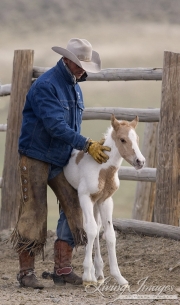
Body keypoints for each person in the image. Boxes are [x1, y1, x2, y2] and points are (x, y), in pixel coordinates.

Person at [11, 38, 111, 289]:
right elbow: (55, 126)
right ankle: (26, 274)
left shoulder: (74, 85)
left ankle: (63, 268)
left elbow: (69, 126)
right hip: (35, 155)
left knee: (75, 205)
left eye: (84, 65)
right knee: (34, 211)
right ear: (66, 60)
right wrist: (86, 143)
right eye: (79, 64)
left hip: (60, 156)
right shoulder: (47, 85)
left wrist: (83, 144)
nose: (83, 69)